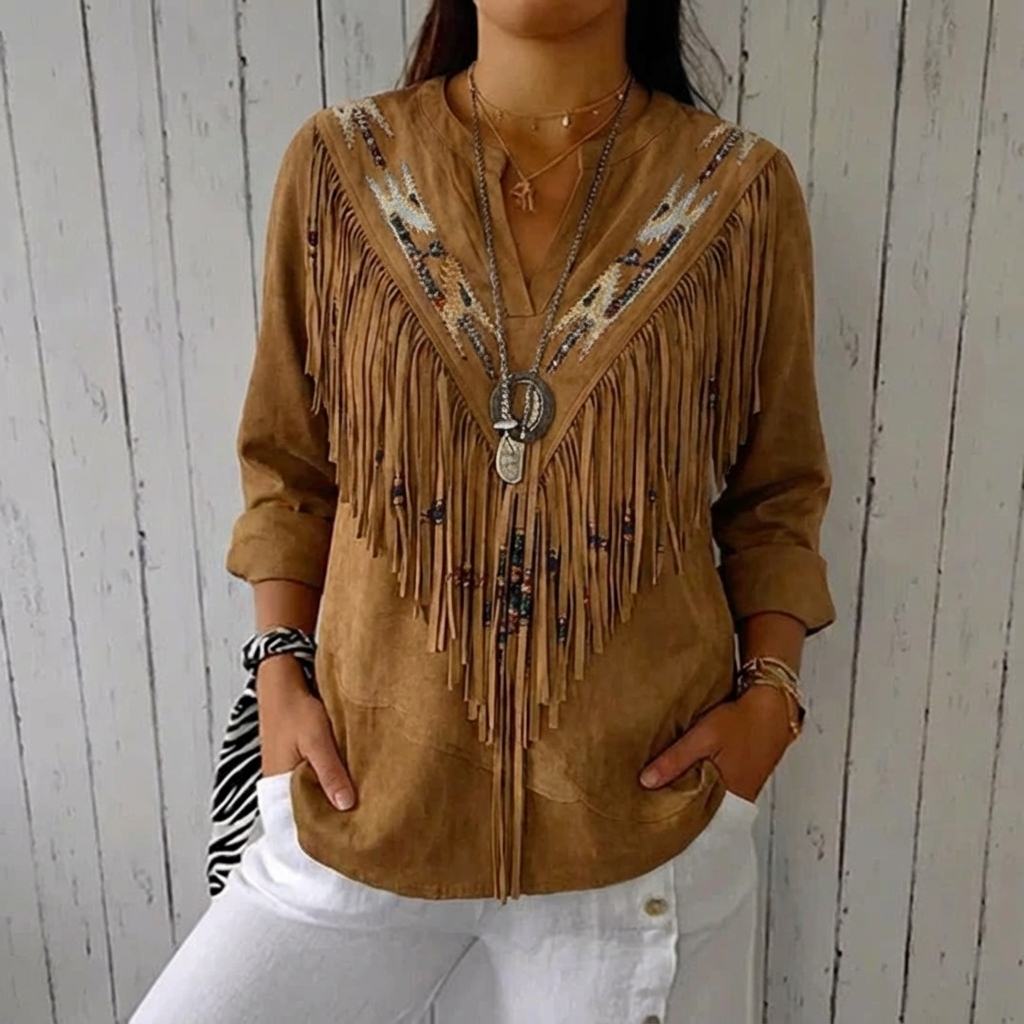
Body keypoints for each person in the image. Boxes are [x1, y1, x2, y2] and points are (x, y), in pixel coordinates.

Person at [130, 0, 835, 1020]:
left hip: (632, 834)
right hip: (359, 804)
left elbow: (777, 496)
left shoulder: (738, 192)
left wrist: (770, 700)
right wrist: (277, 669)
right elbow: (287, 464)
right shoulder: (340, 167)